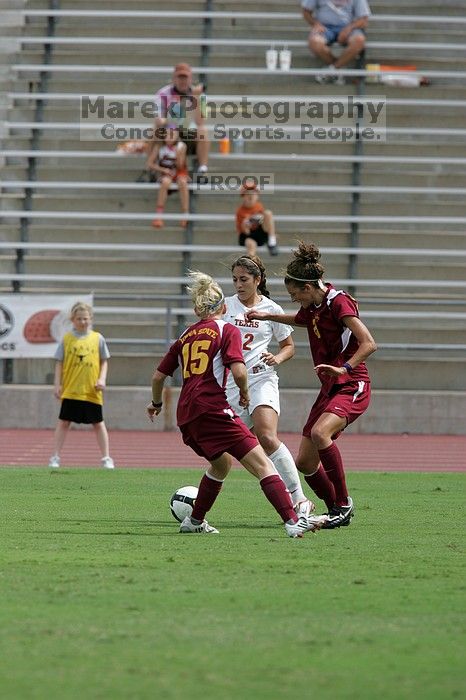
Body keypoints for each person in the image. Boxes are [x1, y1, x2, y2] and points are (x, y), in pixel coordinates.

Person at [146, 270, 325, 537]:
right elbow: (239, 371)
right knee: (261, 463)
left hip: (186, 415)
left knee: (221, 465)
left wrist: (156, 403)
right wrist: (243, 393)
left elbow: (159, 376)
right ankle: (292, 520)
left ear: (197, 310)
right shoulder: (226, 329)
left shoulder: (185, 336)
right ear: (222, 306)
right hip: (214, 409)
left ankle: (194, 521)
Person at [244, 241, 377, 528]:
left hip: (352, 383)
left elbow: (368, 343)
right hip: (329, 388)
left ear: (307, 288)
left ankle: (342, 504)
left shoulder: (338, 302)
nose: (294, 300)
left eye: (294, 294)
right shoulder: (315, 306)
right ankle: (336, 512)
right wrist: (267, 315)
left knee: (320, 433)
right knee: (305, 462)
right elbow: (300, 319)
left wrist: (343, 368)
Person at [225, 254, 314, 517]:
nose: (238, 285)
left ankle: (300, 498)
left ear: (257, 280)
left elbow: (289, 347)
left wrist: (276, 358)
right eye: (234, 280)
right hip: (230, 385)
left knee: (266, 436)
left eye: (243, 279)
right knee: (235, 452)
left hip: (261, 378)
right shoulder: (225, 306)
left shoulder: (272, 310)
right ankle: (285, 498)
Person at [49, 302, 115, 469]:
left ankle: (106, 457)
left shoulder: (98, 338)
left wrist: (102, 379)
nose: (82, 322)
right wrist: (57, 384)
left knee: (98, 423)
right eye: (79, 319)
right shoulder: (67, 339)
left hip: (91, 390)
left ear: (90, 319)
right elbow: (59, 362)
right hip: (72, 389)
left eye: (85, 318)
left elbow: (104, 361)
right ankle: (55, 456)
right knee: (63, 422)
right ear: (73, 319)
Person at [146, 62, 209, 174]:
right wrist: (174, 119)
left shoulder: (200, 96)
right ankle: (150, 168)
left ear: (191, 79)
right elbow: (159, 119)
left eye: (185, 78)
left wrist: (196, 99)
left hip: (189, 133)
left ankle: (202, 169)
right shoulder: (162, 93)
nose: (182, 81)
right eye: (180, 77)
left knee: (203, 131)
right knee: (154, 130)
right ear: (174, 78)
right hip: (169, 132)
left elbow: (200, 121)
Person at [301, 0, 371, 84]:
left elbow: (364, 19)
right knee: (314, 41)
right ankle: (338, 69)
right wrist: (316, 24)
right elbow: (306, 12)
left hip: (349, 27)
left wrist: (349, 28)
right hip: (325, 27)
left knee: (359, 40)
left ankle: (332, 70)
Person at [146, 123, 190, 229]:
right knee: (165, 182)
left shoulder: (181, 146)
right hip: (166, 172)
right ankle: (159, 215)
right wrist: (163, 170)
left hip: (179, 171)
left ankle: (185, 213)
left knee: (182, 182)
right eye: (166, 135)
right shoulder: (160, 147)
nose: (169, 137)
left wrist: (178, 155)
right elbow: (150, 164)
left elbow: (180, 165)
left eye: (172, 135)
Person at [235, 180, 278, 257]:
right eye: (247, 194)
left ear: (257, 196)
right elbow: (242, 231)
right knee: (250, 245)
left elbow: (265, 221)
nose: (250, 196)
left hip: (260, 231)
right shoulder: (240, 211)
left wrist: (260, 219)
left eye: (253, 193)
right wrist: (245, 226)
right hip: (249, 235)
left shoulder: (259, 206)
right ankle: (251, 263)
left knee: (268, 213)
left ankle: (272, 240)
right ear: (243, 196)